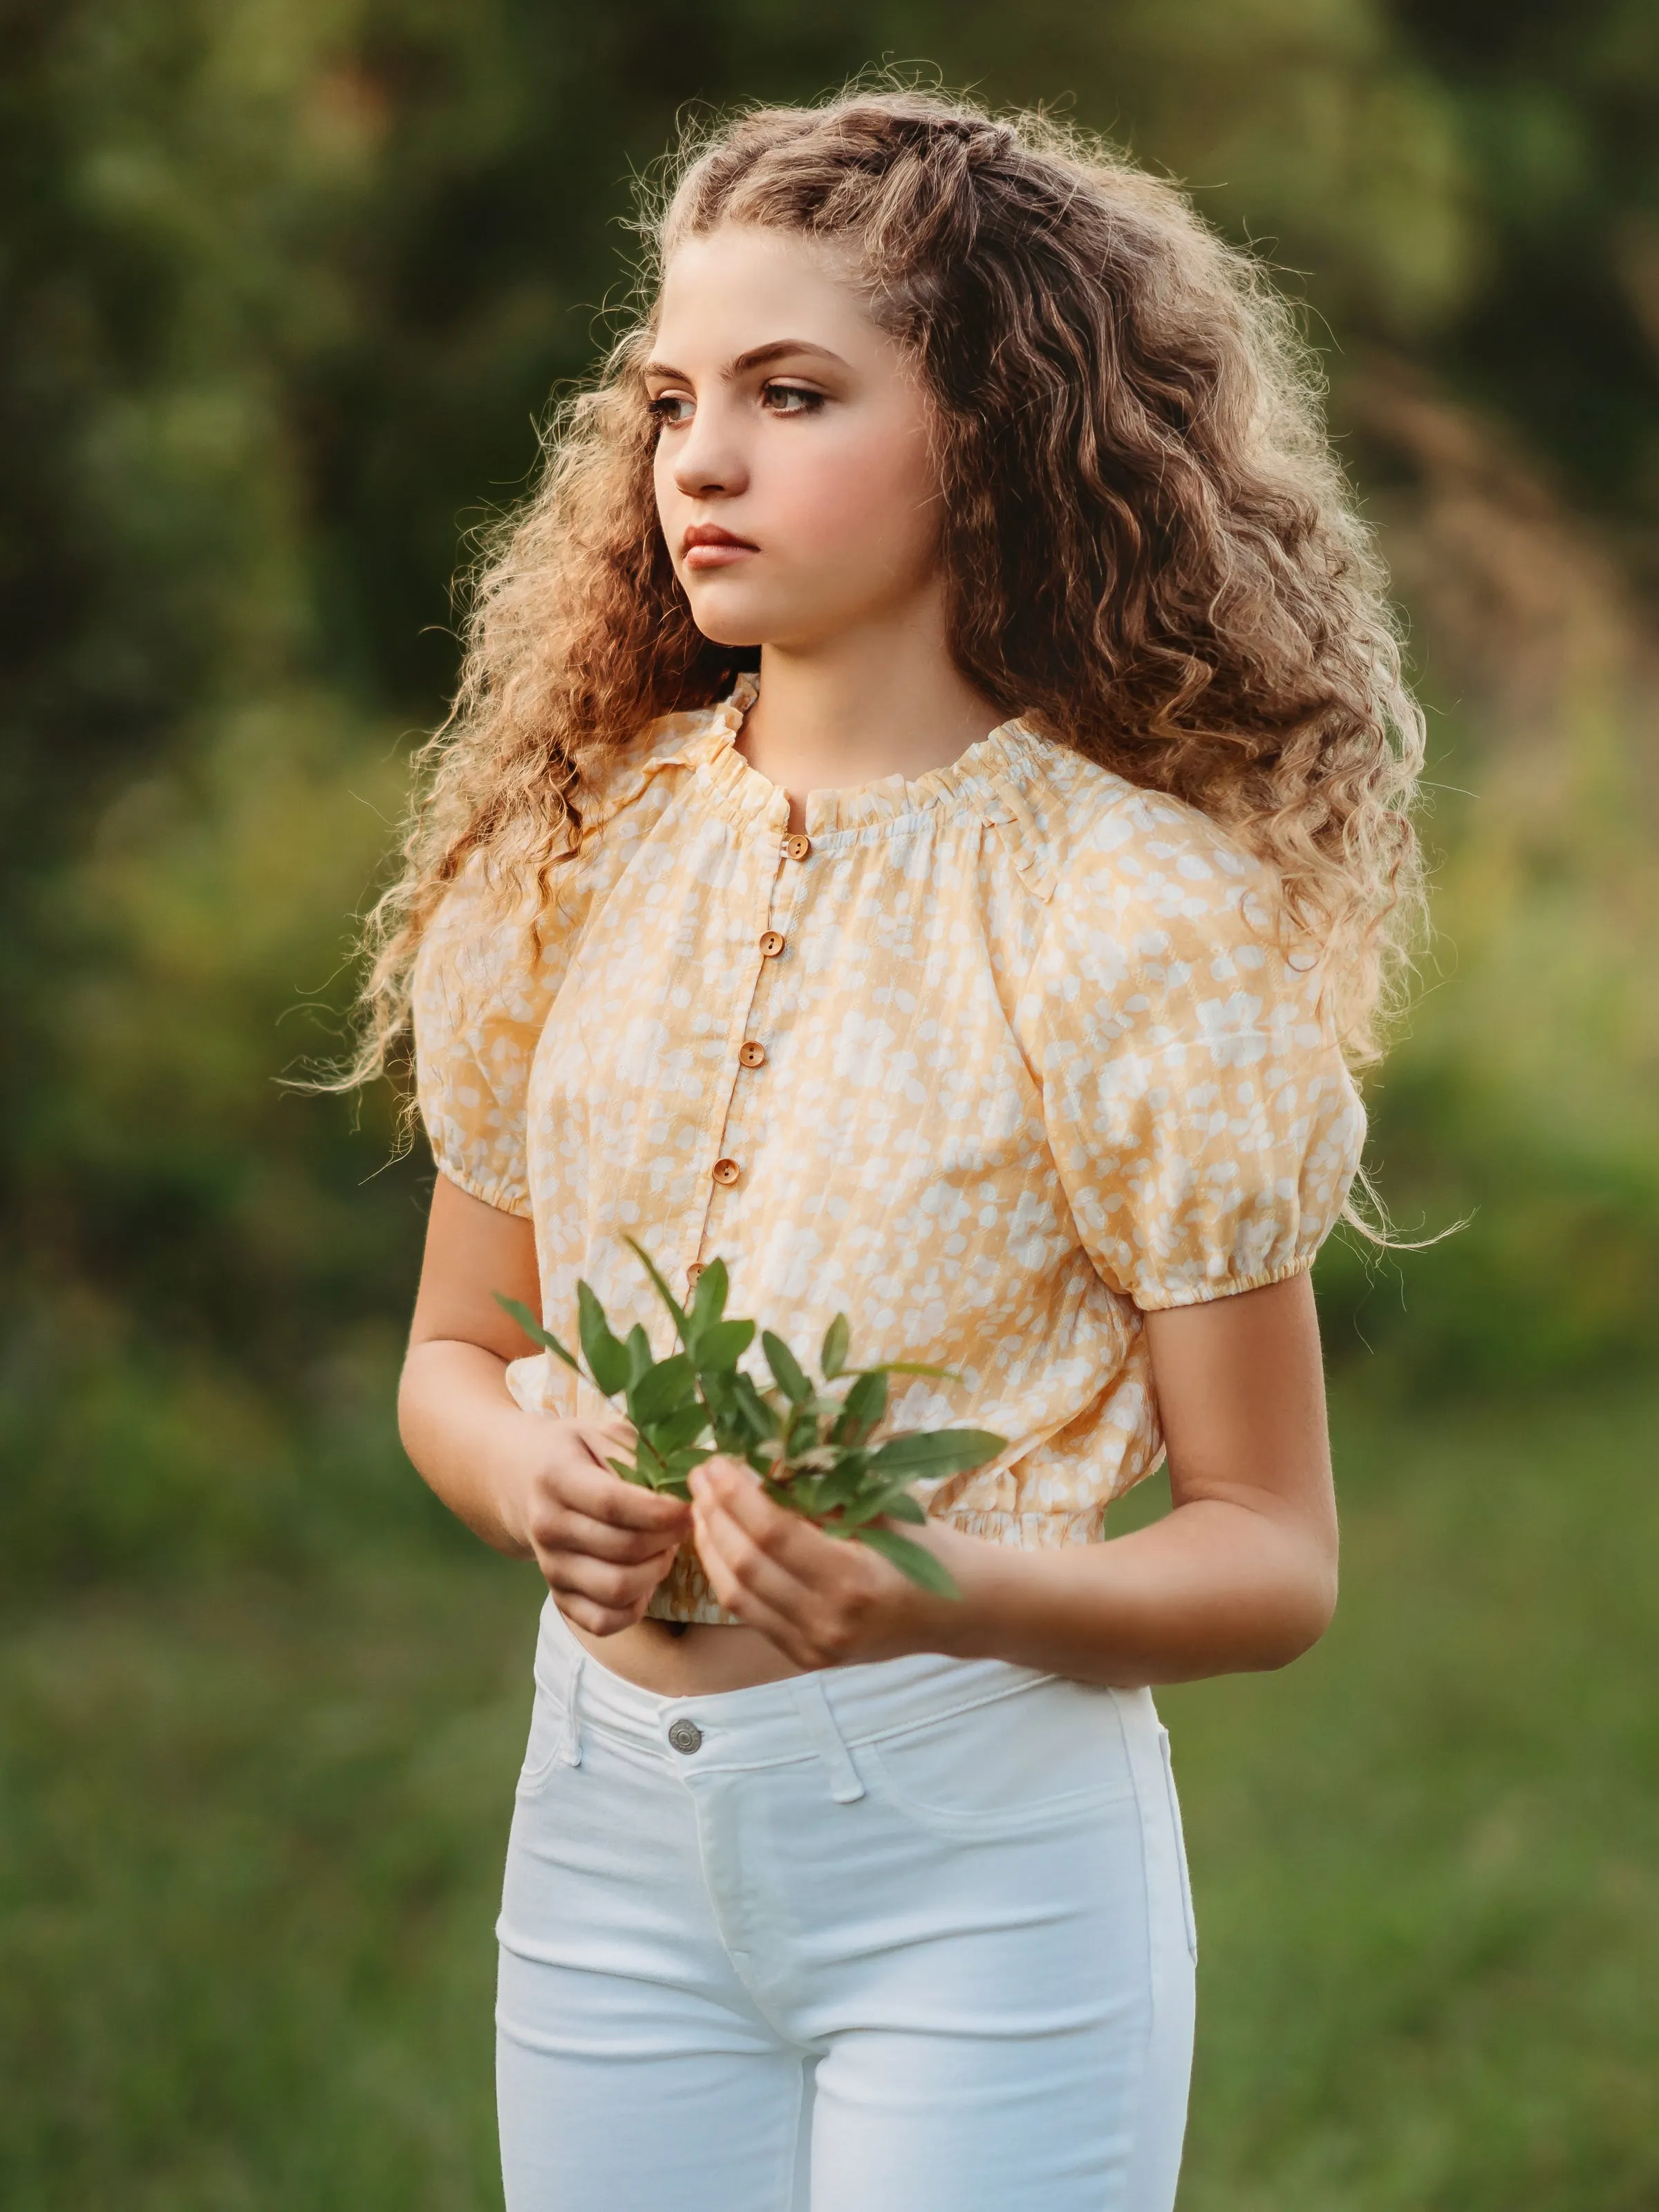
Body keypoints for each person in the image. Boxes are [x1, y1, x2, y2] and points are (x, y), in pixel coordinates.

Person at [359, 86, 1423, 2212]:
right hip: (599, 1835)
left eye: (794, 392)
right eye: (674, 400)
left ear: (995, 435)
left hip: (978, 1864)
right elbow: (455, 1361)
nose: (705, 462)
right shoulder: (568, 852)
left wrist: (925, 1589)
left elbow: (1271, 1553)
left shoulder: (1132, 922)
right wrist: (523, 1478)